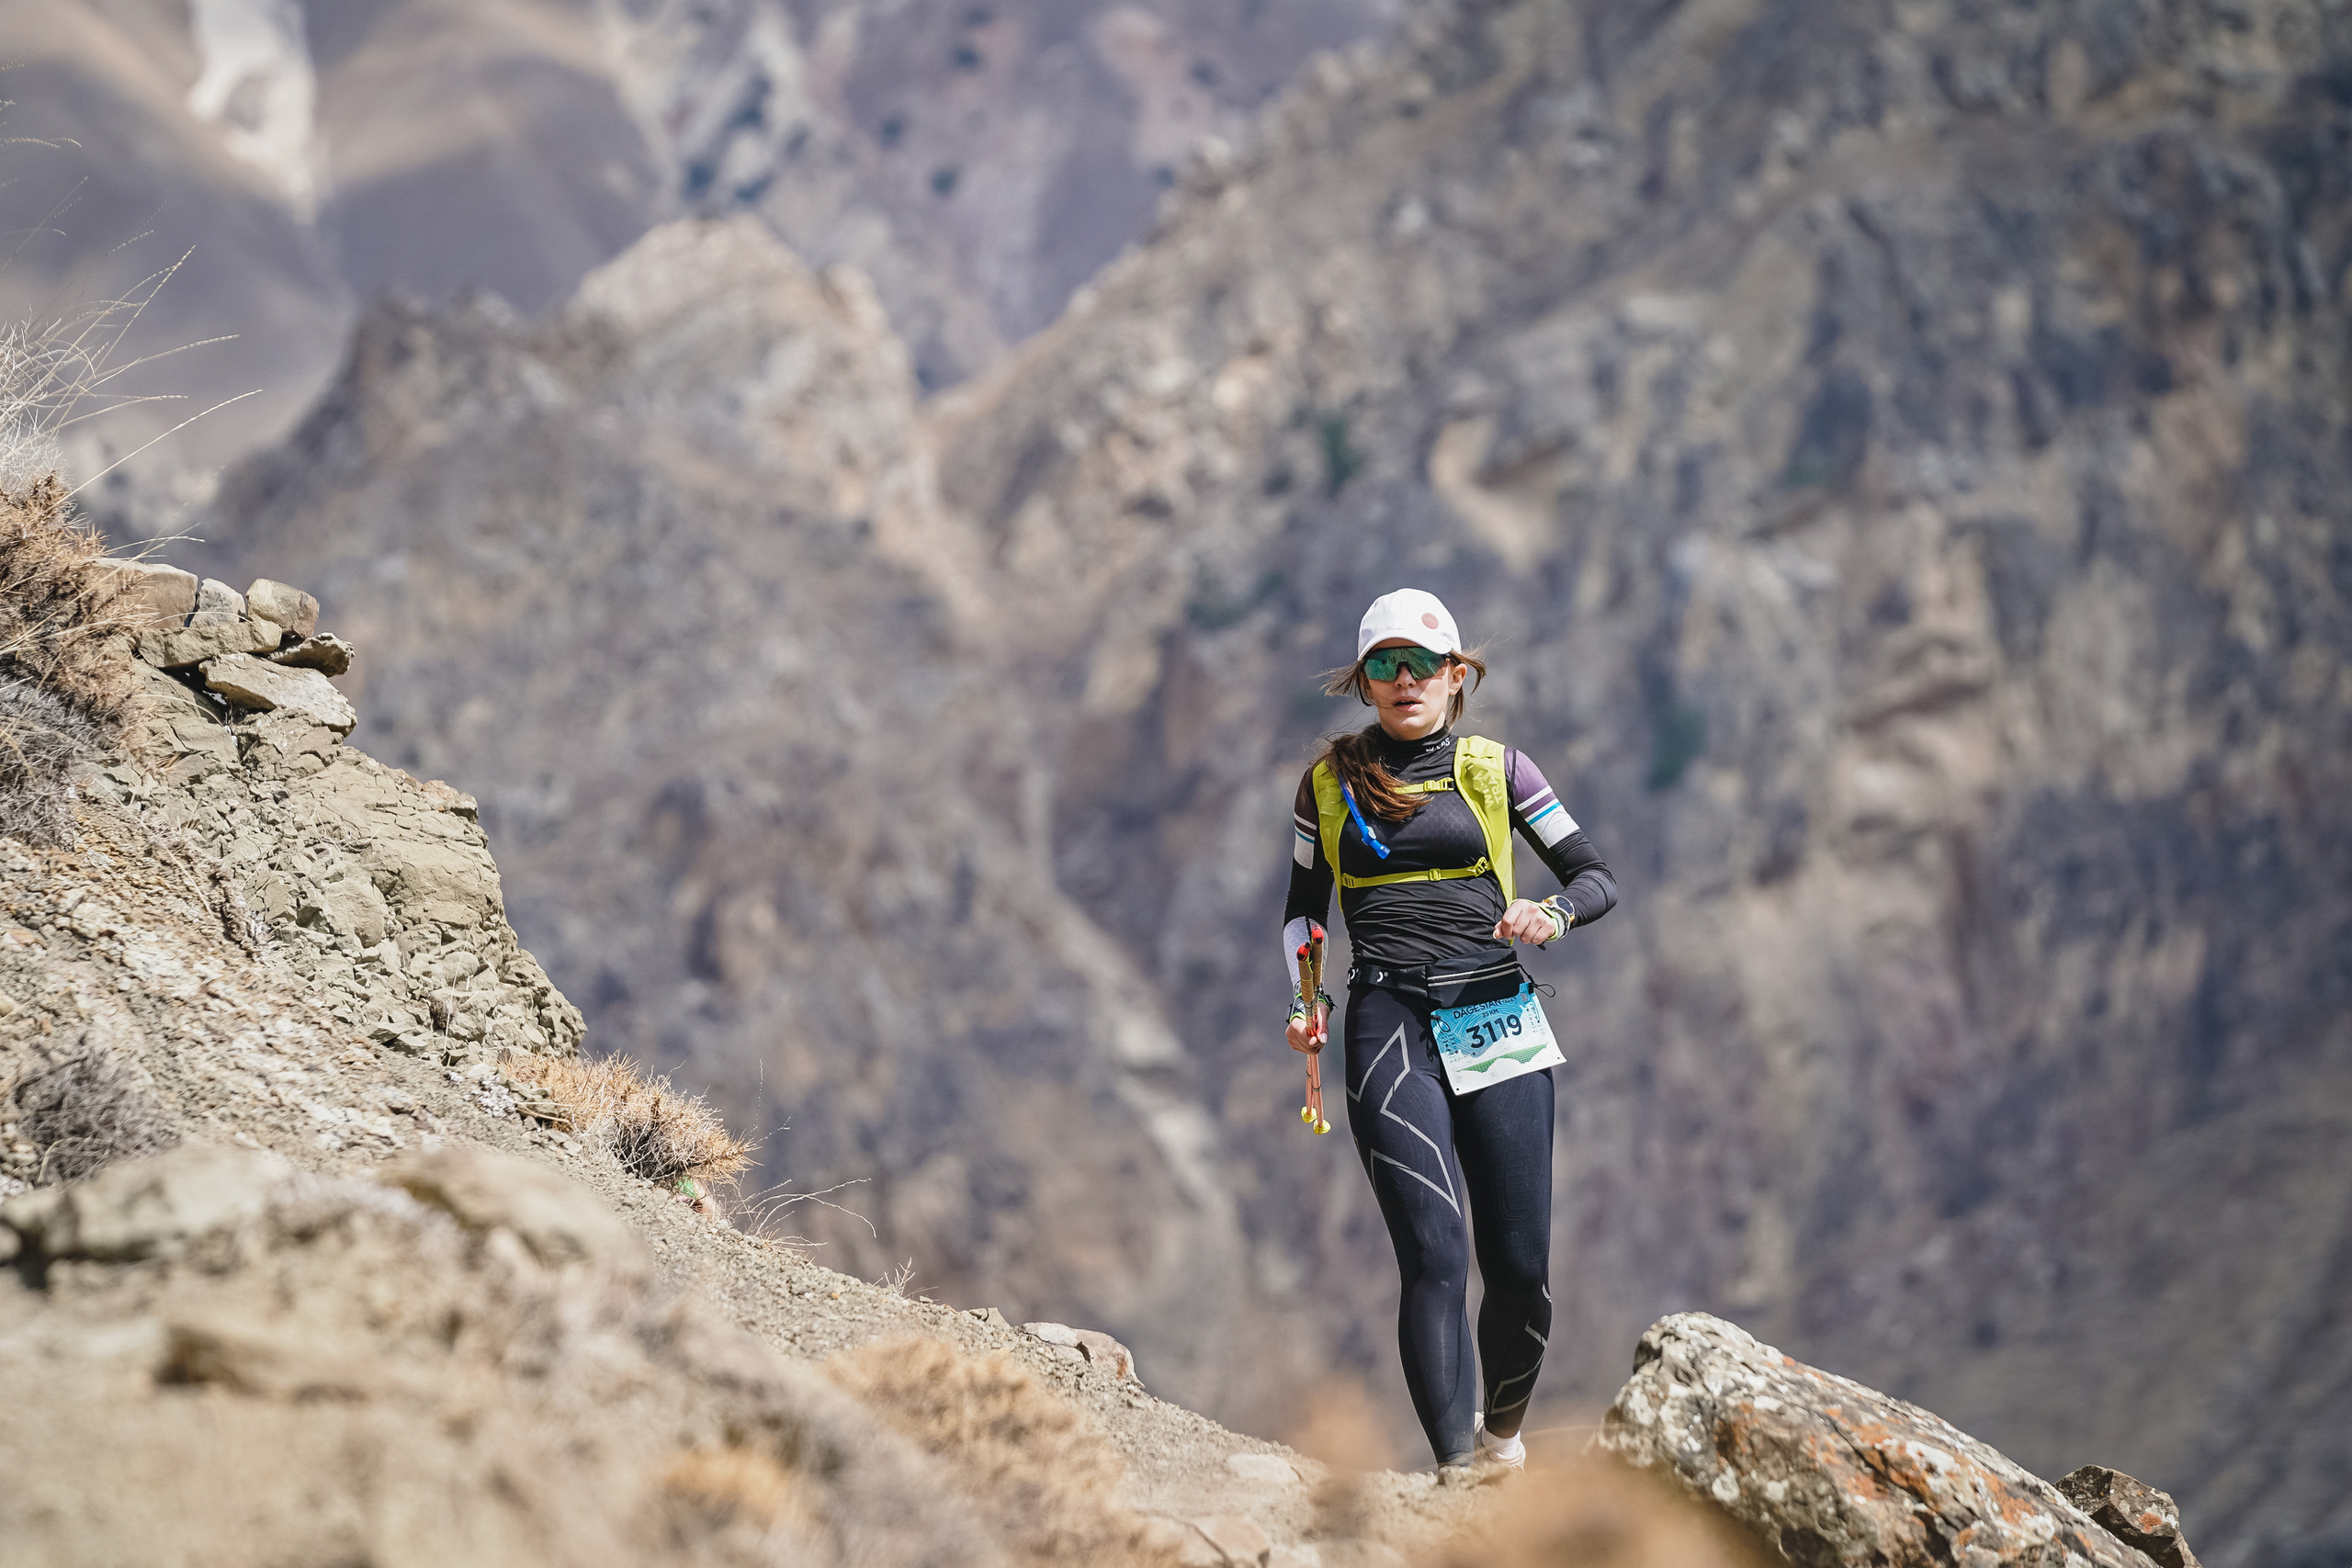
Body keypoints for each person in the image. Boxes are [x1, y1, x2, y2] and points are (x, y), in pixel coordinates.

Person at [1283, 588, 1617, 1476]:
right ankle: (1458, 1479)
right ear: (1363, 682)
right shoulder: (1324, 786)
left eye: (1422, 663)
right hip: (1388, 1021)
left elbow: (1595, 876)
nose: (1404, 681)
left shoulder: (1501, 770)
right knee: (1434, 1253)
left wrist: (1550, 913)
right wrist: (1306, 1000)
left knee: (1518, 1269)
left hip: (1496, 1011)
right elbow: (1302, 917)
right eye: (1384, 666)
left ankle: (1499, 1443)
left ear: (1457, 675)